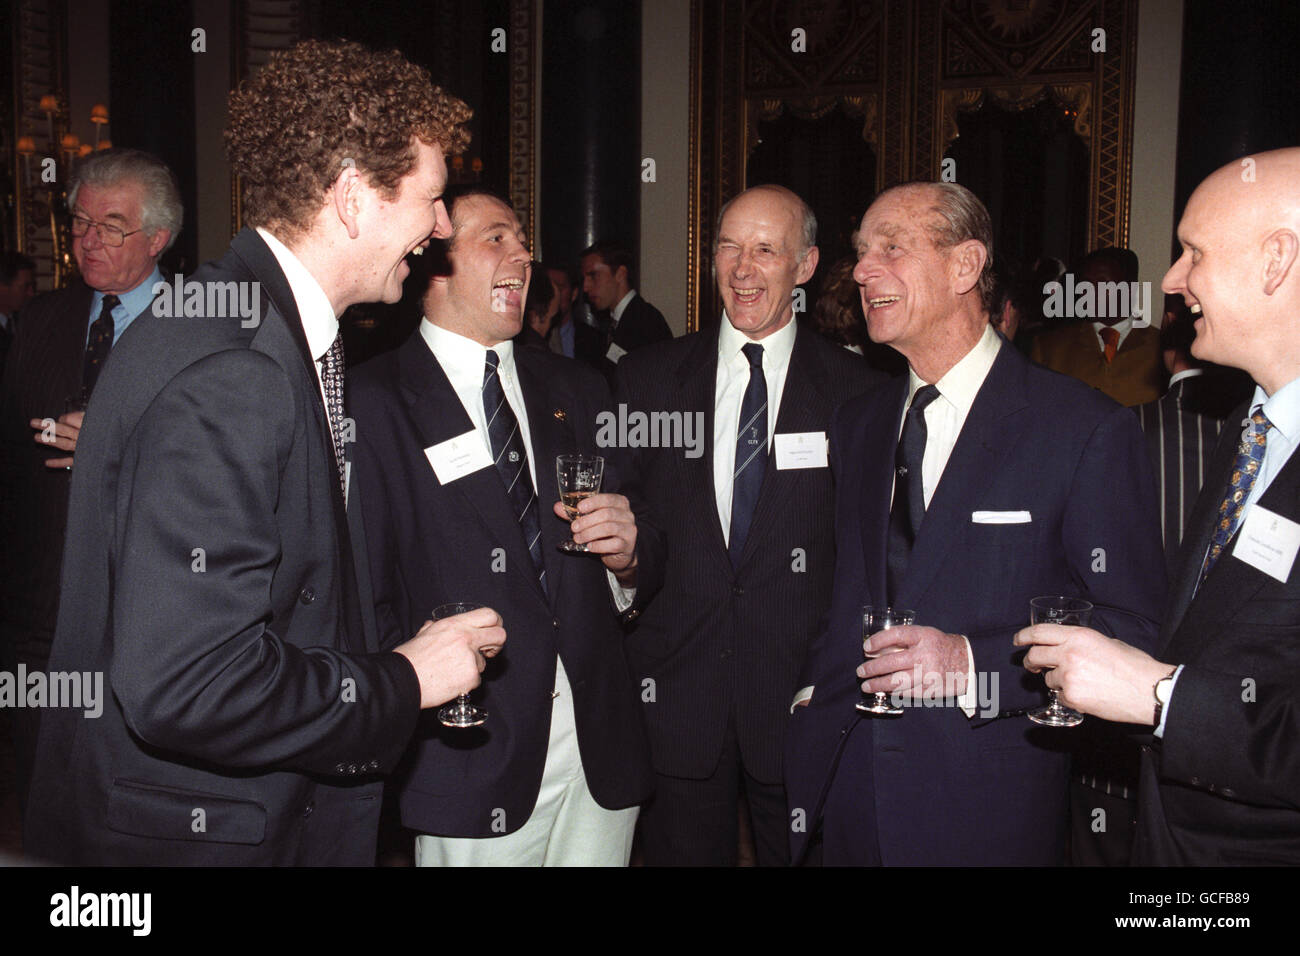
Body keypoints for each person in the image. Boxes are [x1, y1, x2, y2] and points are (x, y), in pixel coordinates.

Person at [23, 39, 502, 866]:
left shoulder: (248, 324)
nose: (443, 225)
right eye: (431, 197)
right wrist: (404, 681)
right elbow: (189, 682)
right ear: (353, 199)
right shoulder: (236, 367)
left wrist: (382, 642)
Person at [785, 182, 1165, 865]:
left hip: (986, 809)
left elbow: (1132, 627)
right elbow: (850, 594)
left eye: (891, 250)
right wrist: (813, 697)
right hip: (845, 791)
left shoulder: (1082, 429)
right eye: (862, 253)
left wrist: (970, 666)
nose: (864, 271)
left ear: (965, 267)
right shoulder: (860, 423)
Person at [349, 190, 660, 865]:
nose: (523, 256)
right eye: (497, 239)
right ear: (436, 264)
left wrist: (629, 561)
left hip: (598, 749)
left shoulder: (580, 389)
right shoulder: (374, 403)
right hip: (470, 749)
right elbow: (364, 595)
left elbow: (643, 545)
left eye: (523, 241)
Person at [1016, 148, 1300, 865]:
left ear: (1277, 261)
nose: (1171, 281)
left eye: (1194, 253)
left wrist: (1159, 696)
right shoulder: (1252, 429)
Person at [614, 184, 881, 865]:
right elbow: (627, 518)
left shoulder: (860, 396)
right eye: (728, 246)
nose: (741, 268)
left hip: (801, 703)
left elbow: (868, 556)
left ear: (807, 264)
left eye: (765, 249)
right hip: (675, 701)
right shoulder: (647, 380)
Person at [0, 151, 179, 820]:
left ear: (157, 239)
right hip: (40, 612)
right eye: (79, 222)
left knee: (133, 806)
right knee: (46, 798)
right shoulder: (39, 320)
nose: (87, 241)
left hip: (149, 610)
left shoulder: (201, 325)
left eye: (111, 225)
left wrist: (116, 450)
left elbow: (225, 470)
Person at [1029, 247, 1164, 406]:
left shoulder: (1161, 350)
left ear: (1130, 288)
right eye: (1085, 283)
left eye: (1103, 283)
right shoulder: (1049, 347)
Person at [581, 239, 671, 381]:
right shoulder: (610, 324)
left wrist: (622, 405)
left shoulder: (647, 321)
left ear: (620, 274)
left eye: (593, 275)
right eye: (584, 278)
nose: (585, 287)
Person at [0, 251, 36, 372]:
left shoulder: (27, 322)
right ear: (3, 287)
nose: (31, 293)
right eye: (25, 287)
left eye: (32, 287)